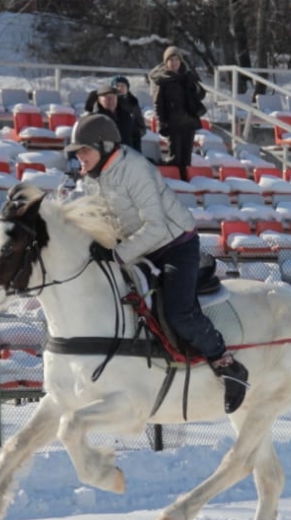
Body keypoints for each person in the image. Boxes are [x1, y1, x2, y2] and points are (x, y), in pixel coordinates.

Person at [64, 112, 249, 412]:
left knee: (179, 312)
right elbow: (83, 207)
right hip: (137, 247)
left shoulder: (134, 168)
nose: (79, 157)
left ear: (105, 146)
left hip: (174, 245)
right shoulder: (92, 177)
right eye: (77, 152)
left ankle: (226, 363)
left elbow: (156, 228)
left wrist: (117, 254)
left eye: (84, 150)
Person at [149, 45, 206, 181]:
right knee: (176, 158)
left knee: (186, 158)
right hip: (173, 123)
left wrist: (195, 86)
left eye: (176, 59)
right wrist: (162, 122)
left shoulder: (187, 75)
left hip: (189, 121)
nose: (174, 63)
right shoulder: (162, 79)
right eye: (170, 60)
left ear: (180, 61)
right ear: (166, 62)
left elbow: (200, 95)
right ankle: (175, 182)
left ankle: (186, 182)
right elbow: (158, 104)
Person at [85, 83, 140, 149]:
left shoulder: (127, 116)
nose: (110, 100)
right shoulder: (93, 120)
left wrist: (137, 152)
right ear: (99, 100)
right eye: (106, 97)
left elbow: (135, 136)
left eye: (113, 97)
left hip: (127, 155)